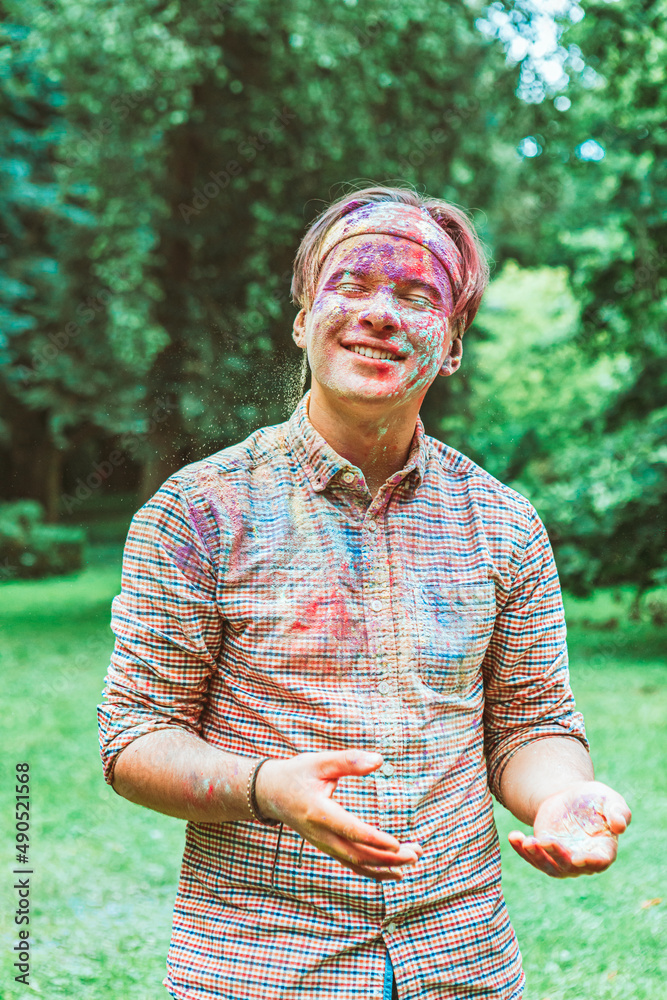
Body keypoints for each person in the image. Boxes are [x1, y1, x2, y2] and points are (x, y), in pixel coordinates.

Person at [98, 186, 631, 1000]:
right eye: (350, 285)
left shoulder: (504, 524)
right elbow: (135, 741)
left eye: (417, 297)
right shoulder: (197, 513)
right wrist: (266, 788)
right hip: (260, 966)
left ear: (450, 346)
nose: (379, 313)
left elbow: (531, 722)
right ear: (303, 317)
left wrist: (561, 797)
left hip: (463, 964)